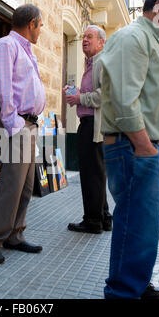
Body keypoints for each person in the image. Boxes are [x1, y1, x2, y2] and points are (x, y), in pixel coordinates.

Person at [99, 0, 159, 298]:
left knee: (147, 228)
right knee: (137, 228)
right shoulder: (134, 38)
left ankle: (135, 284)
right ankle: (124, 292)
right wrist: (145, 148)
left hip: (150, 150)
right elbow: (124, 98)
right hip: (138, 148)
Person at [0, 4, 46, 264]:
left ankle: (14, 235)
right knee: (11, 185)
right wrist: (15, 125)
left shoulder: (26, 50)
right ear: (31, 23)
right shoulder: (6, 46)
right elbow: (2, 87)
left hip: (28, 125)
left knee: (26, 186)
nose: (41, 30)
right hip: (15, 125)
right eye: (40, 25)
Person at [61, 25, 112, 234]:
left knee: (92, 175)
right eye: (83, 37)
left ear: (101, 42)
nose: (84, 40)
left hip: (94, 126)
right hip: (90, 125)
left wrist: (79, 97)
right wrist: (78, 93)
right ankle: (104, 218)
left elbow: (105, 95)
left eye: (89, 37)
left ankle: (92, 221)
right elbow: (95, 92)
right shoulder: (91, 63)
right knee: (97, 174)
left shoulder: (101, 62)